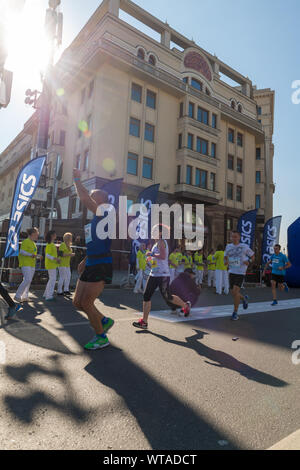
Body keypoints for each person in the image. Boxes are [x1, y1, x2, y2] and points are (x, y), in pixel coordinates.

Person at [72, 169, 114, 351]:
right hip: (91, 261)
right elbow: (94, 242)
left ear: (101, 199)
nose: (90, 195)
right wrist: (85, 259)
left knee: (87, 303)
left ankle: (101, 337)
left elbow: (83, 198)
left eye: (93, 194)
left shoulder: (106, 211)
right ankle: (104, 320)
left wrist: (77, 180)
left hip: (102, 264)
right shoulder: (95, 219)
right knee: (77, 303)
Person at [133, 225, 191, 330]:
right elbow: (158, 259)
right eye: (152, 230)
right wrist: (150, 260)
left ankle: (185, 306)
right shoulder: (156, 244)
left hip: (163, 274)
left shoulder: (160, 242)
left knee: (168, 297)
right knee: (146, 295)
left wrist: (151, 254)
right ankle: (144, 322)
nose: (153, 232)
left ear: (160, 233)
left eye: (155, 230)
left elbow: (163, 256)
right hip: (154, 273)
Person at [224, 231, 255, 321]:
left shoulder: (244, 246)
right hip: (231, 271)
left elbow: (253, 256)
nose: (234, 238)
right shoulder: (228, 246)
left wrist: (249, 261)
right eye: (232, 237)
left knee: (235, 291)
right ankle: (244, 298)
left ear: (239, 238)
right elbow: (225, 256)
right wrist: (225, 261)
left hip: (241, 272)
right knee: (233, 293)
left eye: (236, 237)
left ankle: (235, 313)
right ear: (230, 238)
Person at [15, 227, 42, 303]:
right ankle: (17, 295)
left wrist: (37, 256)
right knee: (27, 279)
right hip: (25, 263)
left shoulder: (33, 243)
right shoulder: (26, 241)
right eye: (37, 235)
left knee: (28, 280)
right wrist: (31, 255)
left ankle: (25, 296)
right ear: (32, 234)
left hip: (31, 264)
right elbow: (22, 251)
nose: (37, 236)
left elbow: (33, 254)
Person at [44, 231, 60, 302]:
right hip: (51, 264)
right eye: (55, 234)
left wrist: (55, 259)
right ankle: (48, 296)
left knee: (51, 279)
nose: (56, 235)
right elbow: (47, 255)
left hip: (52, 264)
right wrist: (56, 259)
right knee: (52, 280)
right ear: (52, 235)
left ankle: (46, 294)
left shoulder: (51, 244)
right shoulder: (50, 244)